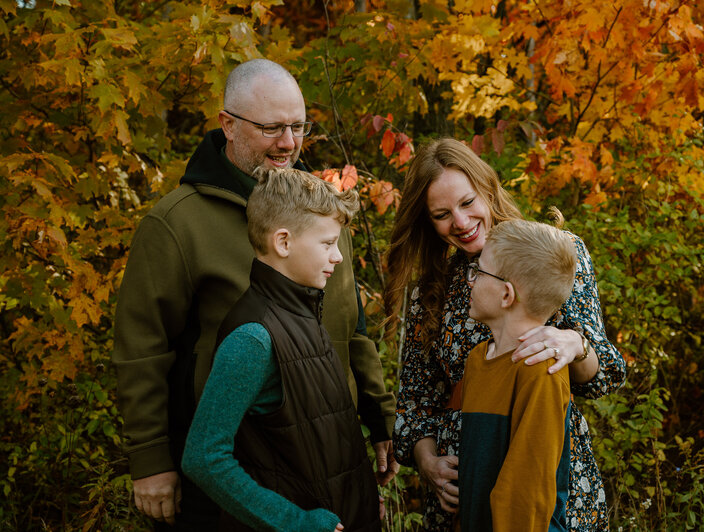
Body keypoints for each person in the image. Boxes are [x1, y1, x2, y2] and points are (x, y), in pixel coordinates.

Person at [113, 59, 397, 529]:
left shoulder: (321, 213)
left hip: (330, 454)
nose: (288, 143)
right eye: (271, 128)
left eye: (298, 126)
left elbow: (354, 328)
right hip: (242, 473)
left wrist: (379, 418)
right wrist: (150, 458)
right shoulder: (177, 223)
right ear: (228, 124)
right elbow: (142, 349)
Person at [385, 138, 626, 531]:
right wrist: (428, 461)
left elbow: (607, 374)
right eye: (442, 214)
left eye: (467, 203)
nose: (460, 223)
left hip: (539, 468)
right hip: (464, 490)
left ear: (487, 189)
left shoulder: (551, 252)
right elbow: (415, 402)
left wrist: (576, 344)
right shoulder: (429, 292)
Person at [182, 168, 380, 532]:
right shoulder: (253, 338)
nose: (337, 257)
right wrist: (297, 524)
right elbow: (204, 458)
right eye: (327, 243)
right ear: (283, 242)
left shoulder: (302, 309)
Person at [458, 219, 577, 532]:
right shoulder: (477, 360)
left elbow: (527, 492)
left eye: (478, 272)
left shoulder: (542, 371)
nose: (470, 280)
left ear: (506, 295)